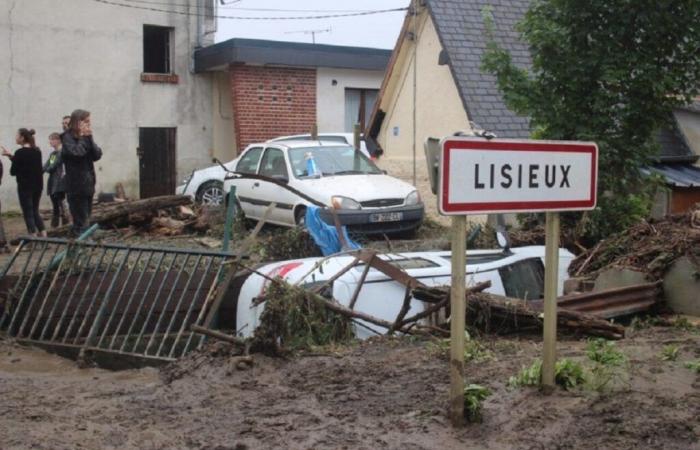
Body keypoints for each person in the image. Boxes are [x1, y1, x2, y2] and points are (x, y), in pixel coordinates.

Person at [62, 109, 102, 235]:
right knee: (80, 221)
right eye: (86, 121)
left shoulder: (85, 137)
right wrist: (84, 138)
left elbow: (97, 155)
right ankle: (82, 247)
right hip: (76, 185)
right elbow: (77, 153)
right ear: (78, 122)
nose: (89, 124)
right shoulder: (67, 137)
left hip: (88, 183)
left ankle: (84, 245)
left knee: (86, 218)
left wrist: (89, 137)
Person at [1, 128, 46, 236]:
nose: (15, 138)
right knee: (35, 211)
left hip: (25, 187)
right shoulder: (37, 151)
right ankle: (44, 235)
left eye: (17, 136)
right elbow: (28, 165)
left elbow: (13, 171)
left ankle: (33, 237)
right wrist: (11, 157)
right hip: (38, 186)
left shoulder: (20, 152)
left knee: (28, 213)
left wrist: (13, 159)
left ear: (22, 138)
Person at [44, 132, 69, 228]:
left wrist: (47, 168)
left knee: (61, 203)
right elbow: (47, 166)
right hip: (53, 181)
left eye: (51, 139)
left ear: (58, 140)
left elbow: (51, 167)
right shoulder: (54, 154)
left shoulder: (61, 152)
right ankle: (55, 224)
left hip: (60, 182)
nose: (50, 142)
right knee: (55, 204)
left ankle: (65, 223)